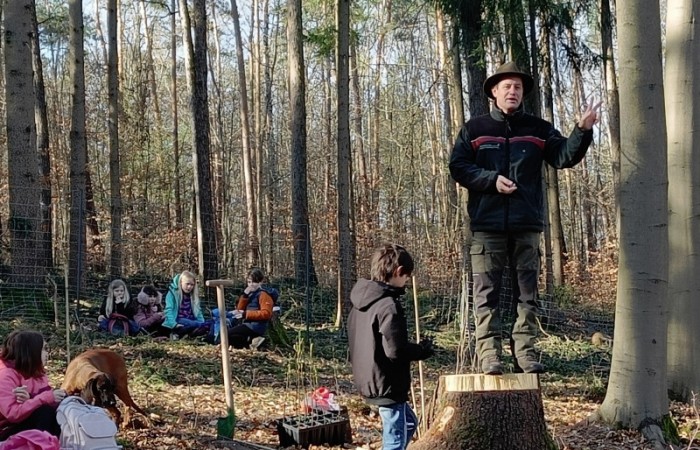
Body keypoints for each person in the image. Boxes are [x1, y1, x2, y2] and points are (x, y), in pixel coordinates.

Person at [449, 61, 601, 375]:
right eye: (507, 86)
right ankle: (489, 356)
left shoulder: (538, 129)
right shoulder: (474, 130)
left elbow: (563, 156)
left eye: (518, 87)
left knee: (527, 296)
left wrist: (582, 130)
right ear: (494, 92)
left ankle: (525, 354)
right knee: (486, 296)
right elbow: (459, 167)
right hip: (487, 227)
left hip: (527, 226)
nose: (513, 91)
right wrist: (491, 180)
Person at [347, 244, 434, 450]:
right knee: (395, 440)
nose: (407, 281)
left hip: (369, 379)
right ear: (398, 272)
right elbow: (396, 350)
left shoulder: (360, 304)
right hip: (387, 382)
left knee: (409, 422)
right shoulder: (388, 306)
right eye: (406, 276)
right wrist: (421, 351)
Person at [0, 330, 66, 440]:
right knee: (44, 413)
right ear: (31, 352)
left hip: (27, 424)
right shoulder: (5, 376)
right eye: (43, 349)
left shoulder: (37, 373)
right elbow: (13, 414)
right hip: (7, 430)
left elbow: (43, 399)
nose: (47, 353)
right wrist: (44, 398)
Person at [227, 268, 276, 349]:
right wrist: (244, 296)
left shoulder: (264, 295)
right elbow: (240, 309)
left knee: (228, 335)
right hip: (247, 324)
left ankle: (252, 343)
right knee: (232, 336)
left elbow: (266, 313)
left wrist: (246, 314)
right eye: (249, 282)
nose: (251, 285)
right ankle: (252, 343)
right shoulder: (250, 294)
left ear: (260, 282)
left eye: (254, 282)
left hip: (256, 326)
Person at [163, 271, 207, 340]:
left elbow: (198, 311)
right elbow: (168, 310)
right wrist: (173, 324)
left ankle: (191, 334)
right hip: (178, 320)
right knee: (192, 324)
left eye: (192, 285)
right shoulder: (172, 293)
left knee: (201, 324)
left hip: (191, 320)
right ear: (181, 282)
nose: (189, 287)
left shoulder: (193, 296)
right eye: (187, 284)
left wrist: (202, 322)